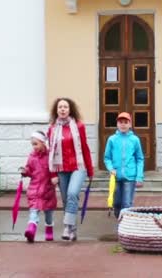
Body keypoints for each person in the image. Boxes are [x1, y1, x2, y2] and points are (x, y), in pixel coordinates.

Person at [47, 97, 94, 241]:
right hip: (61, 168)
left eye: (65, 107)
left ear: (70, 109)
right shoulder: (52, 129)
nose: (62, 109)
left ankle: (67, 226)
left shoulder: (79, 126)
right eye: (60, 107)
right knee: (66, 200)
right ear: (56, 110)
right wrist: (52, 174)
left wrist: (90, 169)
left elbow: (85, 147)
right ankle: (73, 230)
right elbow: (51, 152)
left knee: (73, 193)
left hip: (78, 166)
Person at [19, 131, 58, 243]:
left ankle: (49, 230)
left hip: (47, 191)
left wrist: (55, 177)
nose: (34, 147)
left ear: (43, 143)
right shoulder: (32, 157)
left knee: (48, 215)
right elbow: (29, 170)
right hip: (34, 190)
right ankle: (31, 230)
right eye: (32, 144)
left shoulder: (50, 156)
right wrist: (25, 171)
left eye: (36, 144)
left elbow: (54, 169)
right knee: (33, 212)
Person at [103, 112, 144, 218]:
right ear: (117, 124)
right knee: (116, 203)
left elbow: (140, 159)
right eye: (120, 122)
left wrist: (139, 177)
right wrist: (111, 168)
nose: (123, 125)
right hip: (116, 177)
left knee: (126, 204)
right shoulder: (112, 139)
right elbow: (107, 158)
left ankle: (125, 225)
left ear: (130, 125)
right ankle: (119, 220)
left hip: (130, 177)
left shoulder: (135, 140)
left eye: (126, 122)